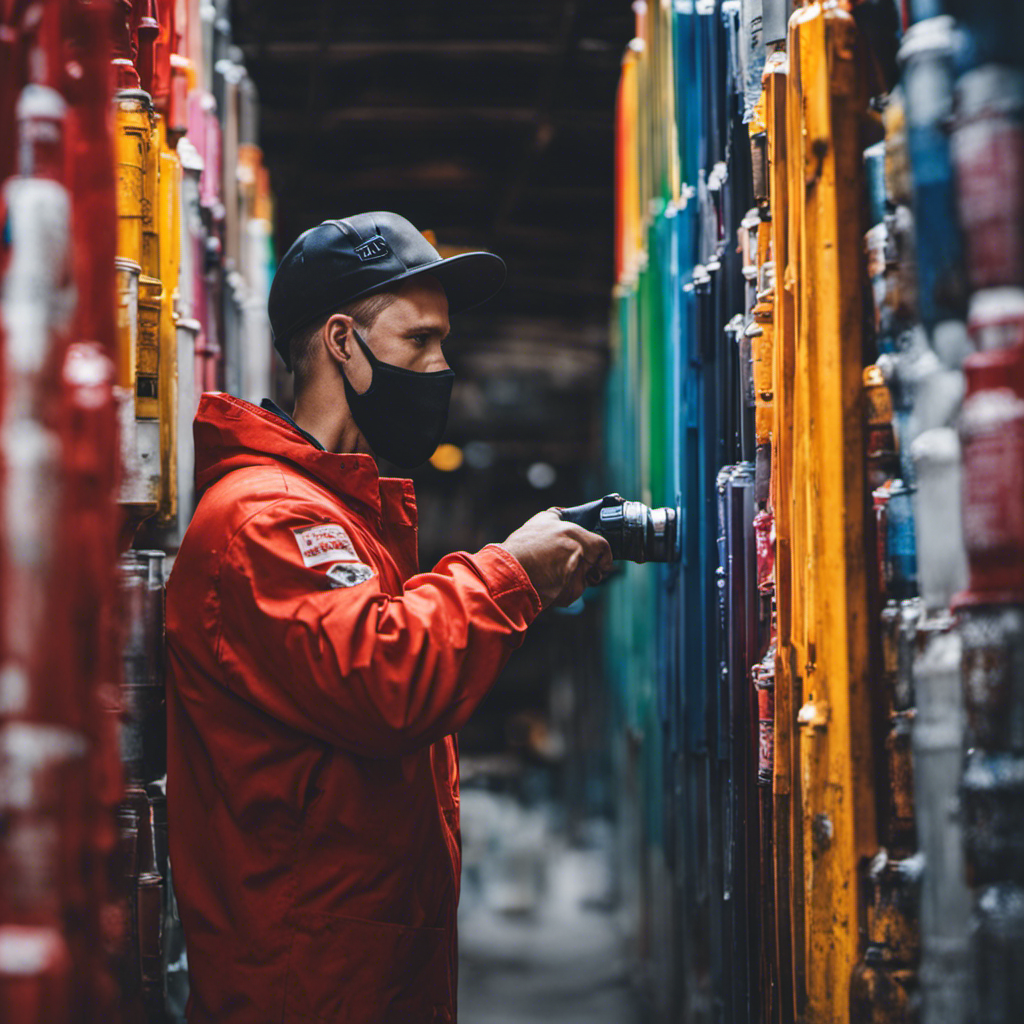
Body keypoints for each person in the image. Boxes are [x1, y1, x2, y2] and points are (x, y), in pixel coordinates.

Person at [165, 212, 613, 1024]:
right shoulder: (264, 522)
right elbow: (386, 675)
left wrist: (535, 580)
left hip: (359, 975)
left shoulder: (329, 514)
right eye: (420, 341)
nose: (442, 367)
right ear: (342, 341)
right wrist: (513, 572)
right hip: (303, 988)